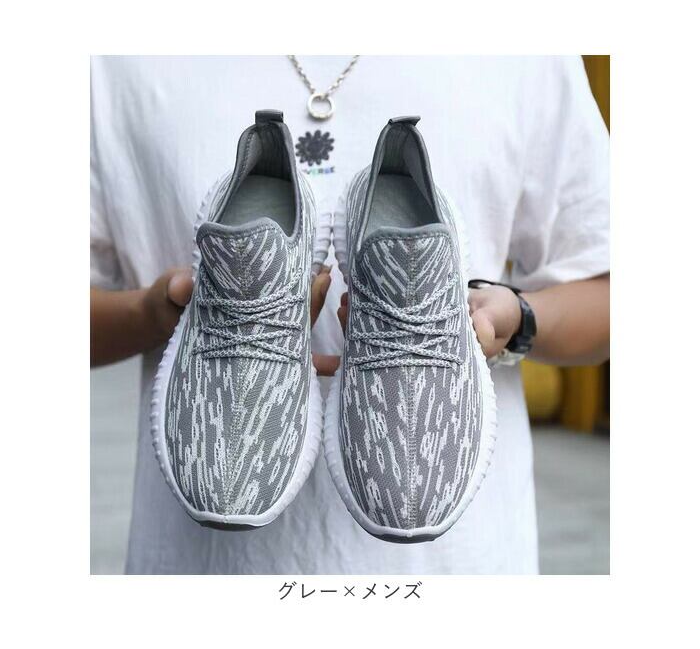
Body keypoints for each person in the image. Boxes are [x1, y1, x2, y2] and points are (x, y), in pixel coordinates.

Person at [91, 55, 609, 574]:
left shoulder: (528, 57)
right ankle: (236, 302)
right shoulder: (119, 61)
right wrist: (154, 312)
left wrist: (515, 317)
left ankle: (411, 290)